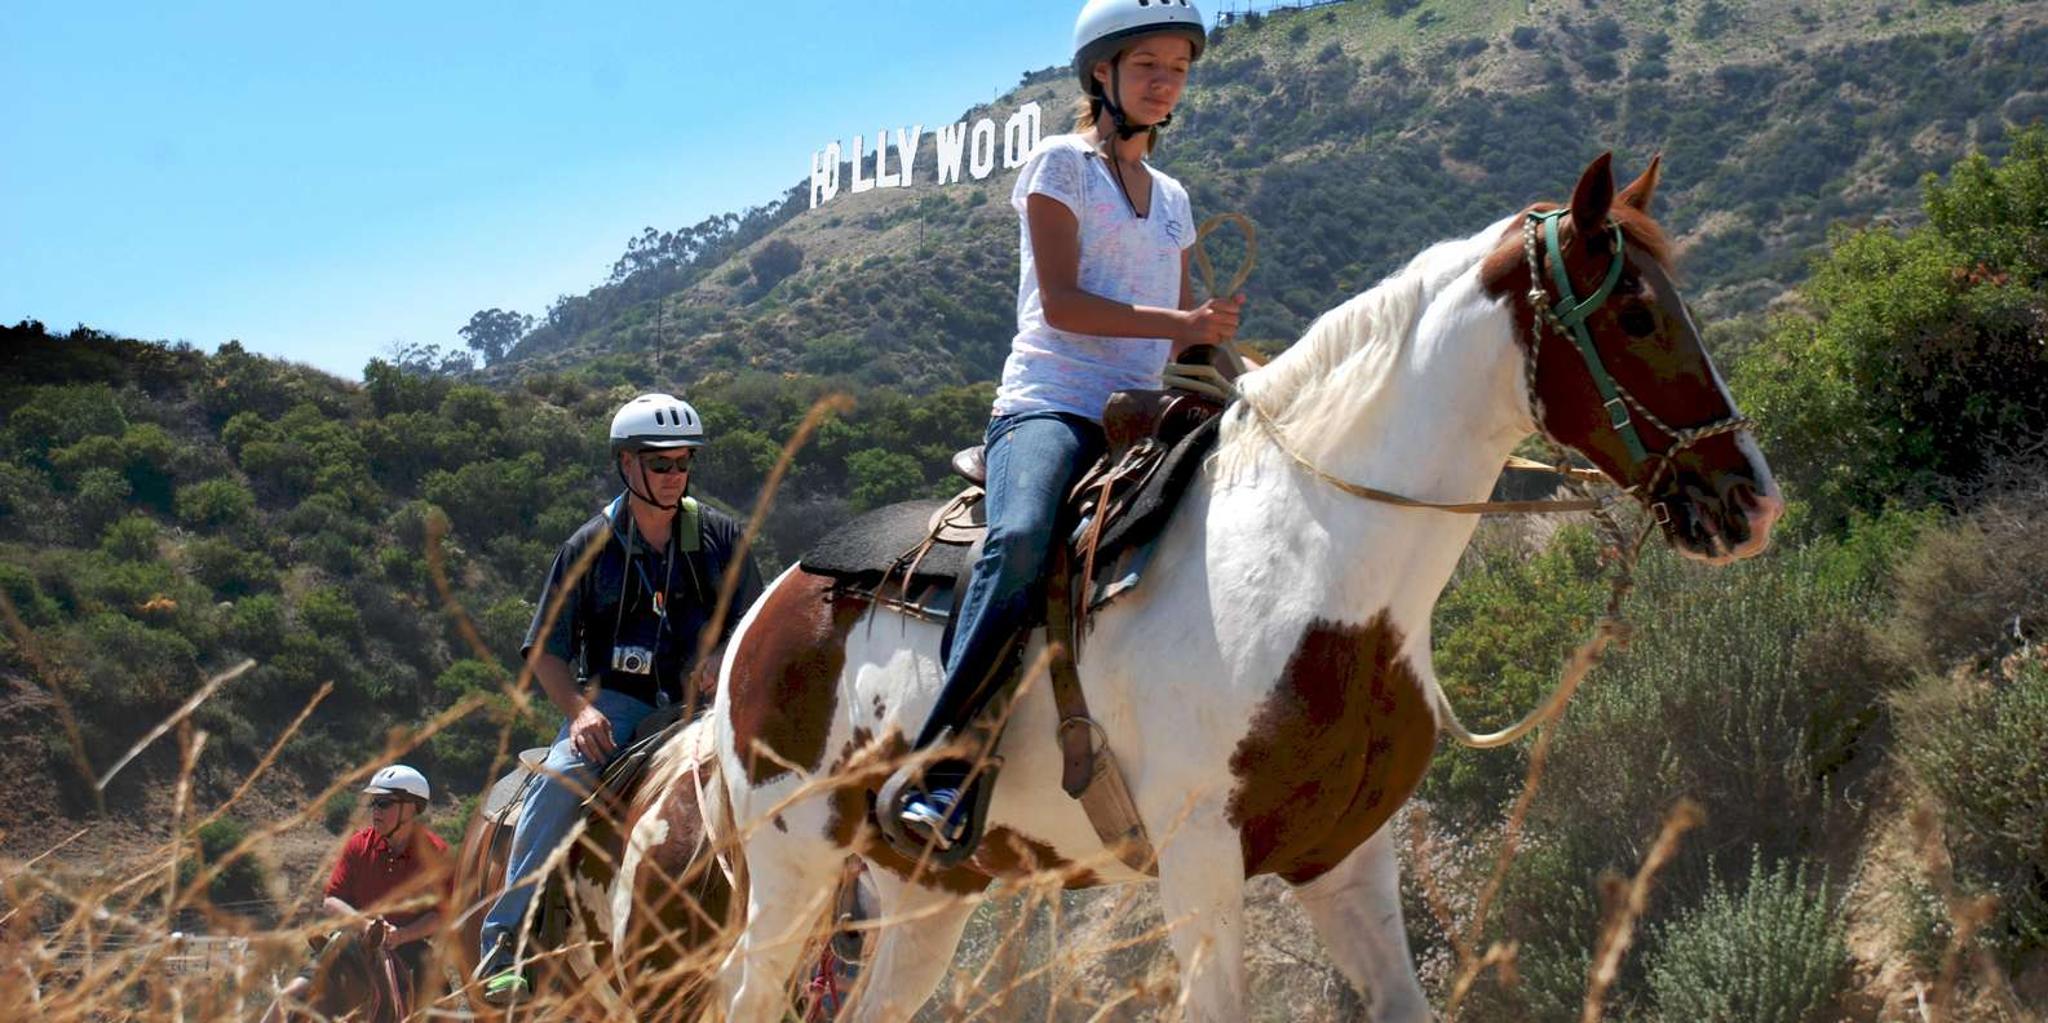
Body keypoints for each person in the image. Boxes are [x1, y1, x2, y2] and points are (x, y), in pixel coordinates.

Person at [894, 0, 1243, 851]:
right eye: (1149, 66)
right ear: (1102, 73)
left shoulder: (1174, 199)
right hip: (1051, 401)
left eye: (1179, 69)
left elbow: (1183, 321)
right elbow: (1065, 304)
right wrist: (1185, 324)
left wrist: (1221, 355)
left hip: (1145, 411)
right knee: (1018, 536)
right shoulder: (1059, 166)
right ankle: (946, 766)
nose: (1166, 84)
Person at [477, 393, 764, 1005]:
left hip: (706, 711)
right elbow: (546, 651)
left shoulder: (720, 538)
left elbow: (754, 626)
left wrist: (724, 654)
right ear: (626, 465)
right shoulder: (589, 546)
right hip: (620, 709)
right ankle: (508, 944)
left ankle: (822, 946)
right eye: (661, 464)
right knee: (556, 781)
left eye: (684, 463)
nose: (675, 475)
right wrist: (579, 712)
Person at [260, 765, 451, 1023]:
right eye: (373, 802)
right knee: (288, 995)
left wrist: (402, 935)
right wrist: (366, 925)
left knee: (445, 1007)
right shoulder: (358, 844)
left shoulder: (436, 853)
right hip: (351, 944)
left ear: (410, 808)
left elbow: (441, 915)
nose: (375, 810)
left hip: (408, 947)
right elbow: (332, 900)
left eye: (384, 803)